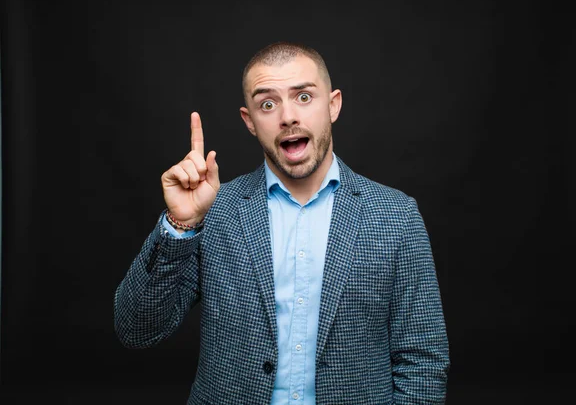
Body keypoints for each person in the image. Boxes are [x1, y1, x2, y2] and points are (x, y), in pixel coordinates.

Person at [114, 41, 450, 404]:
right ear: (250, 122)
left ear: (333, 105)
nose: (288, 117)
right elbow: (136, 330)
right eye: (268, 104)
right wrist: (180, 224)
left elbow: (422, 361)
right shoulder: (216, 210)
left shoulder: (396, 215)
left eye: (304, 97)